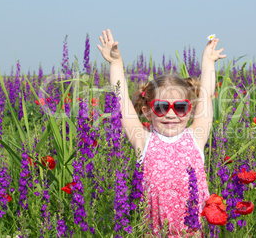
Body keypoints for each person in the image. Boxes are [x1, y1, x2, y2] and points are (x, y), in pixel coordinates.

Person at [97, 29, 226, 237]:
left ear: (190, 110)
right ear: (147, 112)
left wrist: (208, 61)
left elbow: (206, 96)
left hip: (194, 233)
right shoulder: (144, 141)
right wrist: (115, 64)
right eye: (161, 107)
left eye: (180, 107)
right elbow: (121, 102)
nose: (171, 114)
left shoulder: (196, 137)